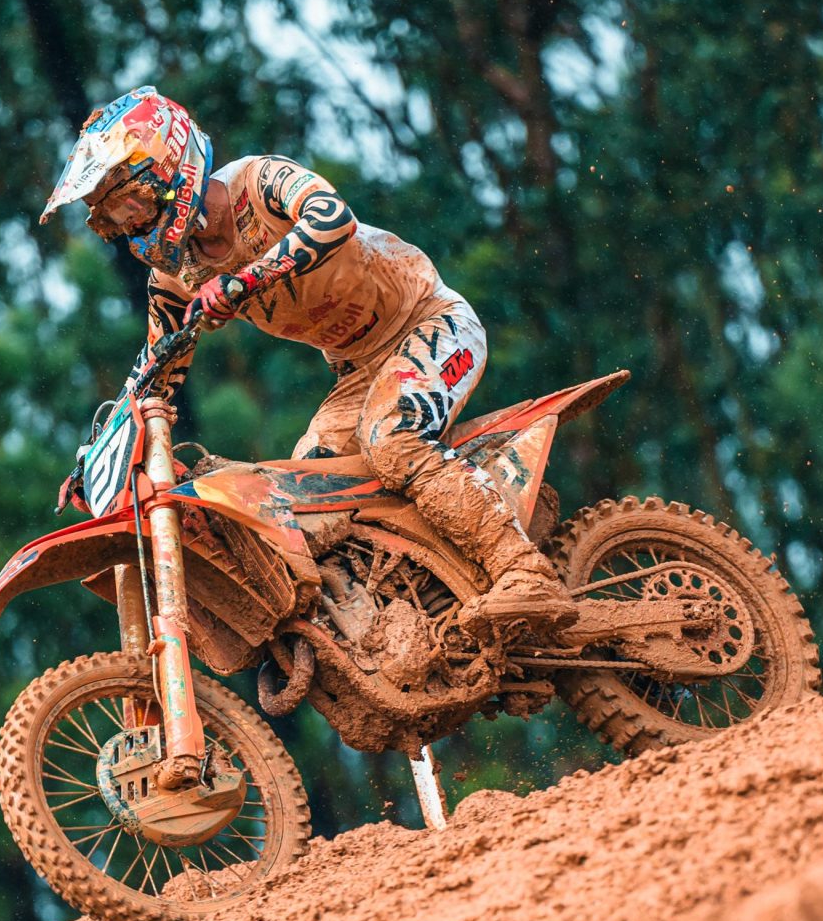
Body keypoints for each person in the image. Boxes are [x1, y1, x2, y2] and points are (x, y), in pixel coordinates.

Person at [41, 87, 577, 634]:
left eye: (131, 205)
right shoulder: (175, 277)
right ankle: (398, 627)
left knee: (393, 440)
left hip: (429, 322)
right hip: (357, 373)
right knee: (303, 500)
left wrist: (243, 281)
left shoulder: (258, 182)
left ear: (168, 168)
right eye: (114, 219)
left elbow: (332, 217)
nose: (130, 225)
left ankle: (523, 570)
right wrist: (99, 455)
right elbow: (158, 367)